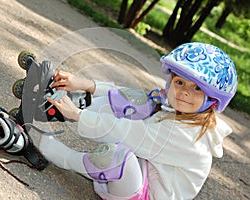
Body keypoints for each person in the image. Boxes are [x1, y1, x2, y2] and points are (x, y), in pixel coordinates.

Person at [38, 42, 238, 199]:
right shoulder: (179, 109)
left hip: (143, 195)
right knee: (141, 102)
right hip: (141, 176)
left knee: (116, 157)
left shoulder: (188, 138)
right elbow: (129, 97)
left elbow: (127, 133)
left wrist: (80, 117)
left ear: (212, 101)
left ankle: (54, 151)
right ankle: (76, 103)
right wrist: (87, 85)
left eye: (197, 89)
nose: (184, 92)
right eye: (179, 82)